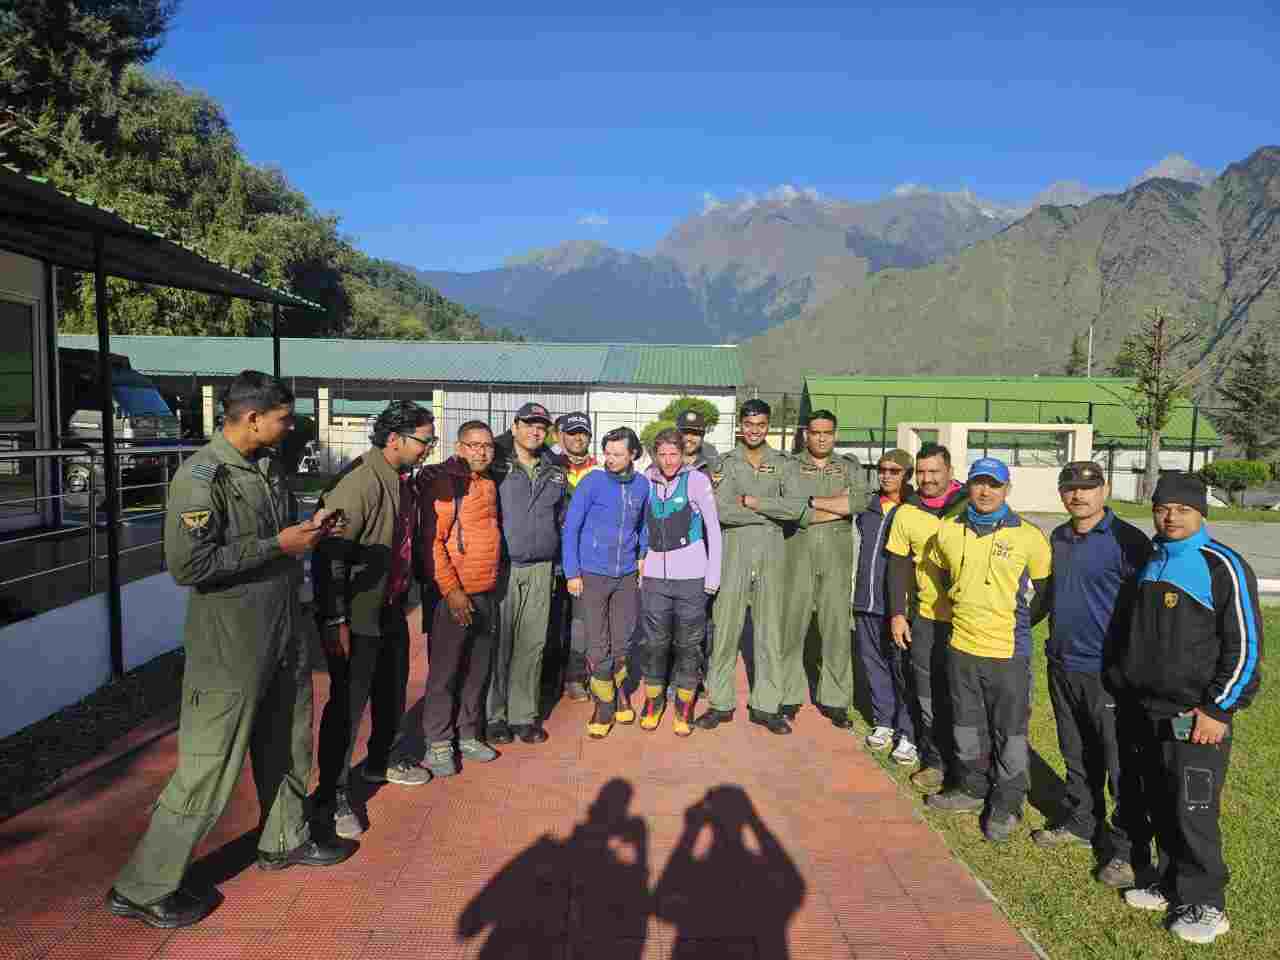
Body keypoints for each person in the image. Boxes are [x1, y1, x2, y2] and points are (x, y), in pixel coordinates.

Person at [108, 372, 355, 929]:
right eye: (282, 419)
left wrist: (307, 531)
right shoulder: (202, 477)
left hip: (282, 628)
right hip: (229, 645)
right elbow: (188, 565)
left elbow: (272, 542)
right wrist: (277, 545)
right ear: (252, 418)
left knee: (288, 741)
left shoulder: (266, 467)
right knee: (208, 764)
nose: (289, 427)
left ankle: (284, 839)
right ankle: (143, 886)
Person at [1113, 473, 1263, 945]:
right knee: (1160, 802)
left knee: (1193, 809)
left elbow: (1246, 647)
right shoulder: (1151, 560)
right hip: (1147, 712)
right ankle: (1170, 884)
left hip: (1197, 716)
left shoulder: (1222, 565)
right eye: (1163, 508)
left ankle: (1207, 903)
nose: (1171, 517)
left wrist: (1218, 710)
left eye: (1182, 509)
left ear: (1201, 513)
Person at [313, 401, 437, 840]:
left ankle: (381, 760)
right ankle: (331, 795)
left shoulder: (402, 480)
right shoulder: (360, 482)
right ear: (395, 439)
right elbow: (330, 556)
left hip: (391, 606)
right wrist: (336, 619)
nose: (428, 448)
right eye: (424, 440)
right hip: (358, 612)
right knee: (348, 706)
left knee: (391, 690)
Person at [1031, 461, 1150, 889]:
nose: (1078, 495)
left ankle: (1128, 850)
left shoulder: (1128, 541)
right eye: (1070, 488)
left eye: (1088, 487)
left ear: (1105, 489)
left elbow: (1145, 612)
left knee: (1120, 763)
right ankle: (1082, 822)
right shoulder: (1059, 537)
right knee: (1076, 752)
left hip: (1107, 672)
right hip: (1062, 664)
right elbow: (1048, 597)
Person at [924, 458, 1052, 844]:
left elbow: (1044, 595)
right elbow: (941, 574)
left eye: (993, 485)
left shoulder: (1029, 536)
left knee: (1009, 731)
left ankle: (1007, 801)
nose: (985, 491)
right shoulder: (948, 530)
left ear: (1006, 489)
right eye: (979, 483)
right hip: (961, 646)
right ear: (969, 486)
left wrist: (1013, 626)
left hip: (1007, 652)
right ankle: (971, 787)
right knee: (966, 724)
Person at [697, 399, 808, 736]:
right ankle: (720, 702)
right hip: (734, 550)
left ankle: (766, 705)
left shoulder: (785, 463)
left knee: (770, 630)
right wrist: (769, 514)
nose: (754, 430)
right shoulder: (725, 463)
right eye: (749, 424)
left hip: (773, 552)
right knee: (725, 628)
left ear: (767, 426)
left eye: (760, 425)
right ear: (740, 426)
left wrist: (754, 502)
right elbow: (720, 510)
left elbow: (796, 508)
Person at [816, 448, 919, 761]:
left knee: (902, 669)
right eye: (882, 470)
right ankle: (883, 721)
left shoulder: (915, 508)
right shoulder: (869, 504)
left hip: (899, 605)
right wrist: (805, 505)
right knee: (873, 664)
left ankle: (907, 732)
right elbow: (836, 506)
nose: (886, 476)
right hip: (865, 599)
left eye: (894, 471)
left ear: (907, 475)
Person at [417, 421, 503, 777]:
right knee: (445, 673)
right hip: (455, 595)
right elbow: (433, 542)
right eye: (473, 445)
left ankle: (467, 733)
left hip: (486, 591)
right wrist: (452, 590)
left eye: (487, 446)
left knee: (477, 670)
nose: (481, 451)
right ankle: (438, 742)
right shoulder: (445, 483)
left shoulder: (489, 482)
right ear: (459, 447)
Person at [884, 442, 968, 790]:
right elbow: (898, 565)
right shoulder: (907, 512)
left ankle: (969, 767)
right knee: (928, 693)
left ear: (950, 472)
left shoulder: (970, 505)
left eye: (934, 471)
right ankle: (935, 760)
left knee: (965, 695)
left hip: (968, 620)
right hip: (927, 617)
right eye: (921, 472)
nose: (927, 478)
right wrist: (897, 614)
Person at [486, 402, 568, 746]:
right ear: (515, 425)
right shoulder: (495, 462)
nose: (536, 431)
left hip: (541, 568)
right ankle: (495, 716)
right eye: (530, 424)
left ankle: (523, 715)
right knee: (500, 644)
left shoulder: (554, 468)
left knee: (532, 645)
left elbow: (562, 517)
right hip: (504, 567)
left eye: (542, 426)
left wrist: (561, 564)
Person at [777, 410, 866, 728]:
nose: (821, 438)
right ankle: (787, 696)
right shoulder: (789, 467)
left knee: (837, 630)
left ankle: (836, 700)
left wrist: (812, 502)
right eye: (815, 432)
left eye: (827, 432)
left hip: (835, 560)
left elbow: (859, 502)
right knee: (791, 628)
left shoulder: (849, 467)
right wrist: (835, 505)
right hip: (797, 557)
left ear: (835, 434)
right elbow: (789, 508)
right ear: (806, 434)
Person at [562, 426, 650, 739]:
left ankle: (620, 692)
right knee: (598, 645)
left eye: (617, 454)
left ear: (633, 454)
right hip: (592, 574)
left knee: (623, 642)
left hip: (625, 575)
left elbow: (644, 524)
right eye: (607, 453)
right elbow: (571, 528)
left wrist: (642, 554)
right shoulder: (592, 482)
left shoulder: (642, 485)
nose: (610, 459)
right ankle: (604, 704)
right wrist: (572, 572)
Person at [636, 428, 722, 736]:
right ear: (654, 455)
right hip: (654, 579)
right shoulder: (645, 481)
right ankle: (653, 700)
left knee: (689, 645)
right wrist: (639, 564)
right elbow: (638, 524)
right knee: (654, 644)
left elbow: (713, 528)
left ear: (683, 454)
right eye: (662, 454)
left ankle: (684, 705)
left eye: (674, 454)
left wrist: (713, 576)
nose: (669, 461)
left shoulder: (697, 481)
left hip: (692, 578)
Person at [554, 411, 600, 702]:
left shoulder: (601, 470)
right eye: (572, 433)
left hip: (585, 560)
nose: (578, 438)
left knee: (581, 622)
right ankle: (548, 679)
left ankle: (576, 676)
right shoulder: (550, 466)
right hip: (550, 556)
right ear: (562, 437)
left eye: (583, 433)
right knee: (551, 621)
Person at [677, 407, 720, 478]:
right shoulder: (664, 460)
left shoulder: (713, 461)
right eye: (685, 433)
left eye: (695, 433)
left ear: (702, 436)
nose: (689, 438)